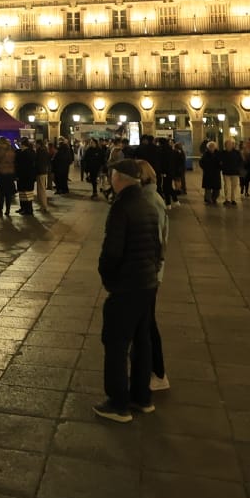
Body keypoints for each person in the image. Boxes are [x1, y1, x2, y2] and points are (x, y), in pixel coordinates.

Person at [92, 159, 162, 424]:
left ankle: (118, 403)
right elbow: (157, 246)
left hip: (127, 285)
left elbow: (112, 252)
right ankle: (142, 398)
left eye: (112, 175)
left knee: (116, 343)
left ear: (119, 178)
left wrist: (108, 278)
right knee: (142, 341)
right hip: (147, 283)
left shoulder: (121, 206)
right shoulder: (148, 202)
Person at [135, 160, 171, 394]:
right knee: (144, 323)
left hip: (148, 272)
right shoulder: (150, 198)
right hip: (149, 271)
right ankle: (148, 370)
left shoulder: (149, 201)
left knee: (147, 323)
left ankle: (158, 373)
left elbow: (155, 240)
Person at [0, 137, 17, 215]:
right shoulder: (11, 150)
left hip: (1, 174)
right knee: (8, 193)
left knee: (1, 193)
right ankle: (8, 210)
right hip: (10, 174)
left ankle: (0, 210)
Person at [219, 138, 244, 206]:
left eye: (230, 144)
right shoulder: (223, 152)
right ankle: (227, 199)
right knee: (227, 186)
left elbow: (241, 161)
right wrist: (222, 167)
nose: (229, 145)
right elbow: (219, 161)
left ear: (233, 145)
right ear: (225, 145)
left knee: (234, 186)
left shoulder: (237, 152)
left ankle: (233, 199)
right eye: (227, 144)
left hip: (235, 172)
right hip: (226, 172)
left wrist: (238, 168)